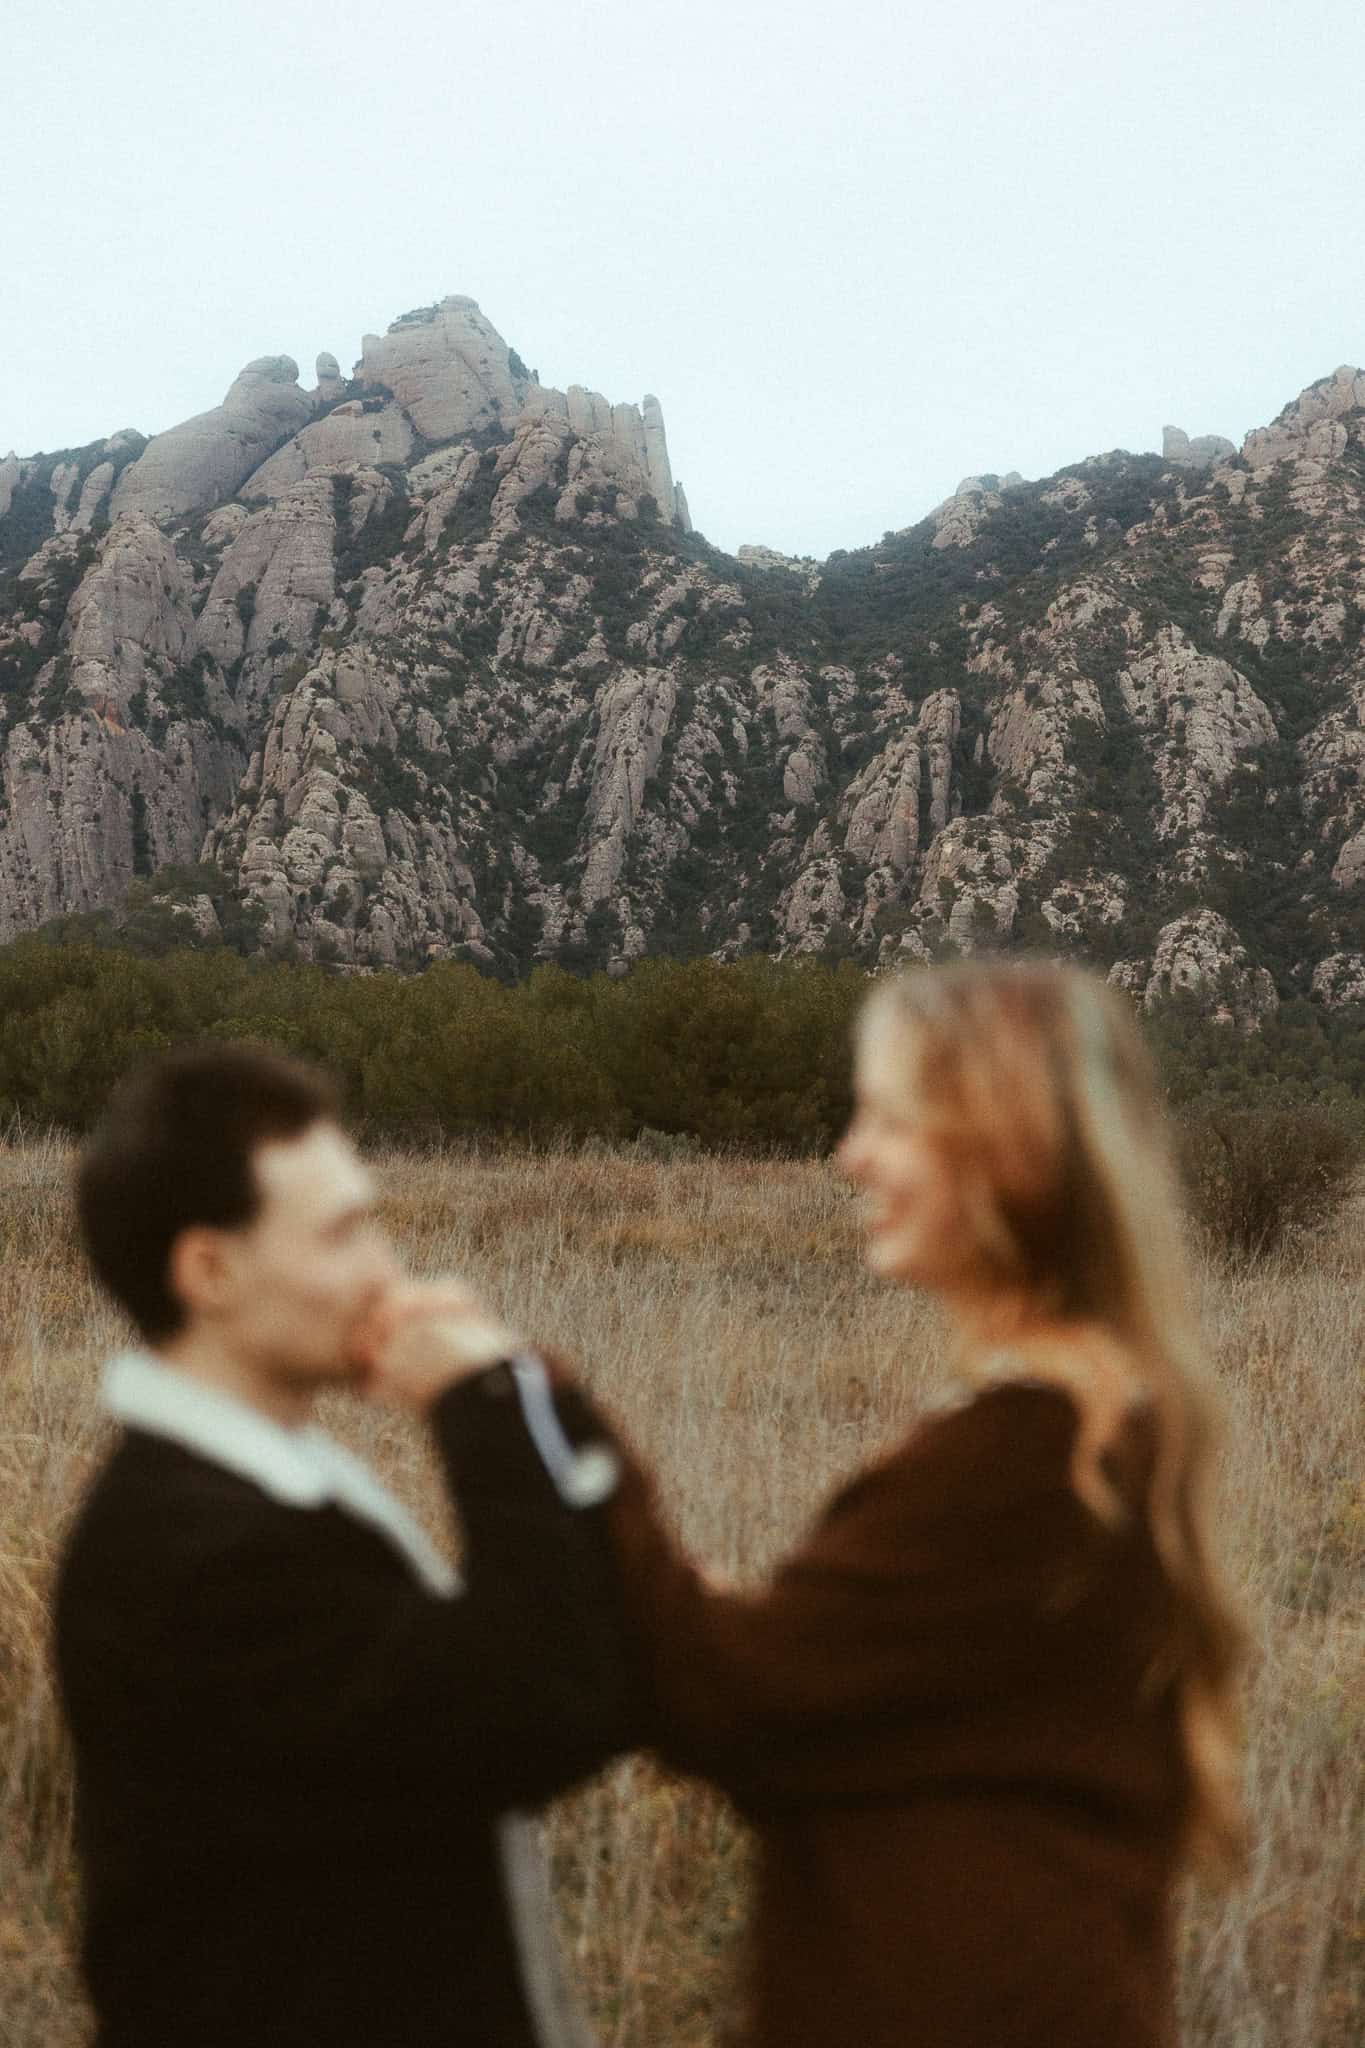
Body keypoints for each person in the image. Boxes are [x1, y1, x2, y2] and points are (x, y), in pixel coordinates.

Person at [465, 961, 1249, 2048]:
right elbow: (854, 1708)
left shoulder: (1025, 1449)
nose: (851, 1156)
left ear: (1003, 1149)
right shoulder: (1105, 1414)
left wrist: (533, 1406)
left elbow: (725, 1693)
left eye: (889, 1120)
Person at [53, 1043, 637, 2048]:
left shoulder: (248, 1495)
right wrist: (482, 1401)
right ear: (210, 1269)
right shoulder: (200, 1554)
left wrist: (516, 1399)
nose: (384, 1269)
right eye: (340, 1233)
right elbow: (548, 1704)